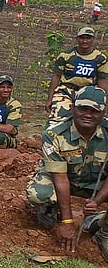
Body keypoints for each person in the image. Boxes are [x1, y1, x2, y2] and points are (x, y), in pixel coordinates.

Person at [27, 86, 108, 259]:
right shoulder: (54, 134)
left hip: (94, 183)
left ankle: (103, 232)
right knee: (38, 193)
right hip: (65, 180)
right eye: (83, 109)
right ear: (73, 108)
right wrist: (68, 222)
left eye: (95, 110)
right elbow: (60, 178)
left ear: (103, 113)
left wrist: (97, 200)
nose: (88, 114)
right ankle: (50, 209)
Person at [48, 26, 108, 123]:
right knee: (57, 119)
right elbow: (56, 76)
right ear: (77, 39)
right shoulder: (65, 56)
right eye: (82, 38)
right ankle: (51, 136)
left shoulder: (100, 58)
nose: (84, 41)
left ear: (93, 39)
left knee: (91, 121)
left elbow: (102, 81)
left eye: (88, 38)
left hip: (89, 93)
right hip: (66, 91)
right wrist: (50, 99)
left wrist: (104, 102)